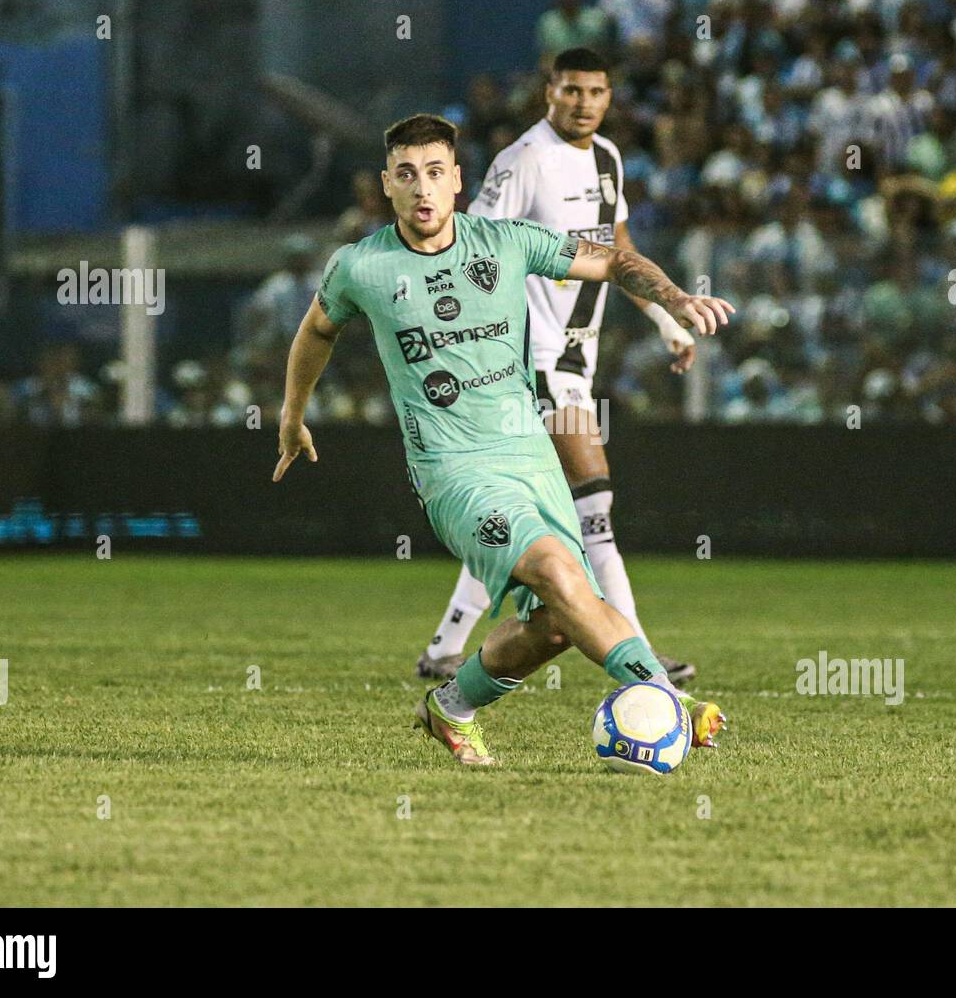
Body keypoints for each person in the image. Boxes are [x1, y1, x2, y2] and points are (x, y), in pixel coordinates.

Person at [273, 113, 733, 766]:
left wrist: (673, 298)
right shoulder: (362, 266)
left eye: (435, 172)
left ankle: (451, 708)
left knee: (554, 626)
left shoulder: (507, 243)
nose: (422, 188)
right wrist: (292, 415)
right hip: (454, 472)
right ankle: (663, 700)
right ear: (387, 186)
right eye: (407, 175)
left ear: (458, 180)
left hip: (531, 459)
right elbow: (317, 330)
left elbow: (614, 260)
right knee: (558, 571)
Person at [416, 47, 700, 686]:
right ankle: (641, 657)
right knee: (593, 498)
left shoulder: (609, 159)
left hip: (579, 355)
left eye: (596, 92)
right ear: (550, 92)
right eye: (572, 91)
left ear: (609, 97)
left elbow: (617, 252)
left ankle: (443, 648)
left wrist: (663, 319)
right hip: (531, 356)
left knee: (536, 508)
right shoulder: (523, 160)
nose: (584, 103)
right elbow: (471, 248)